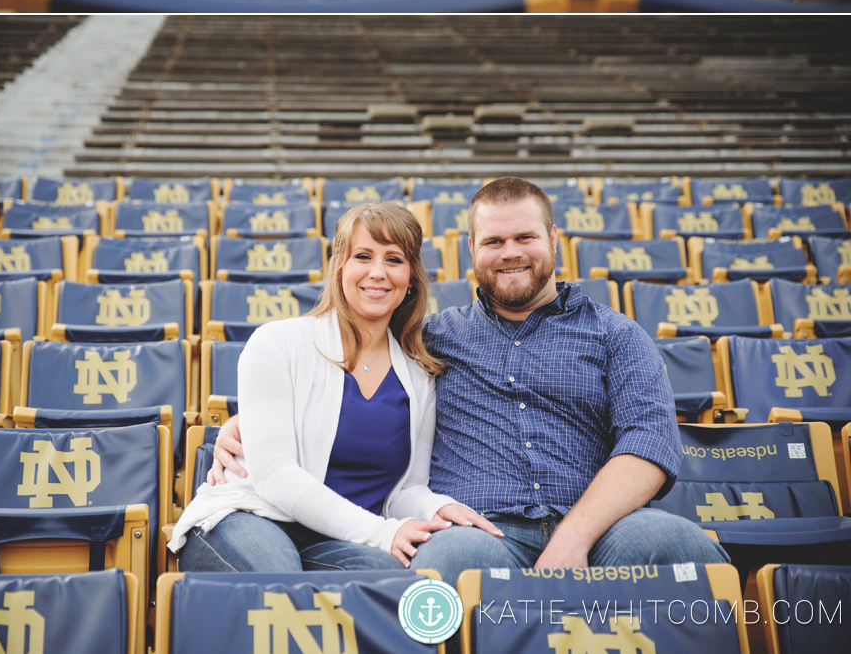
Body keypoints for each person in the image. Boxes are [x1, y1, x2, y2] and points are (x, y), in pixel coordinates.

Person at [210, 178, 728, 583]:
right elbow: (338, 372)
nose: (510, 252)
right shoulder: (430, 341)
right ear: (471, 252)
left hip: (598, 527)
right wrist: (250, 421)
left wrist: (573, 538)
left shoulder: (617, 334)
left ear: (552, 240)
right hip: (479, 529)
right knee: (441, 570)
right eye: (493, 241)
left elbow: (650, 442)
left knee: (683, 550)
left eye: (524, 237)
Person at [169, 201, 497, 574]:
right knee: (278, 583)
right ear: (340, 266)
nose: (378, 273)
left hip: (340, 539)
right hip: (250, 516)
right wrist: (381, 532)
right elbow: (276, 476)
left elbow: (406, 490)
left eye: (394, 260)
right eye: (363, 256)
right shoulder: (276, 343)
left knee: (397, 585)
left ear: (411, 280)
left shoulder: (420, 377)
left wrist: (434, 507)